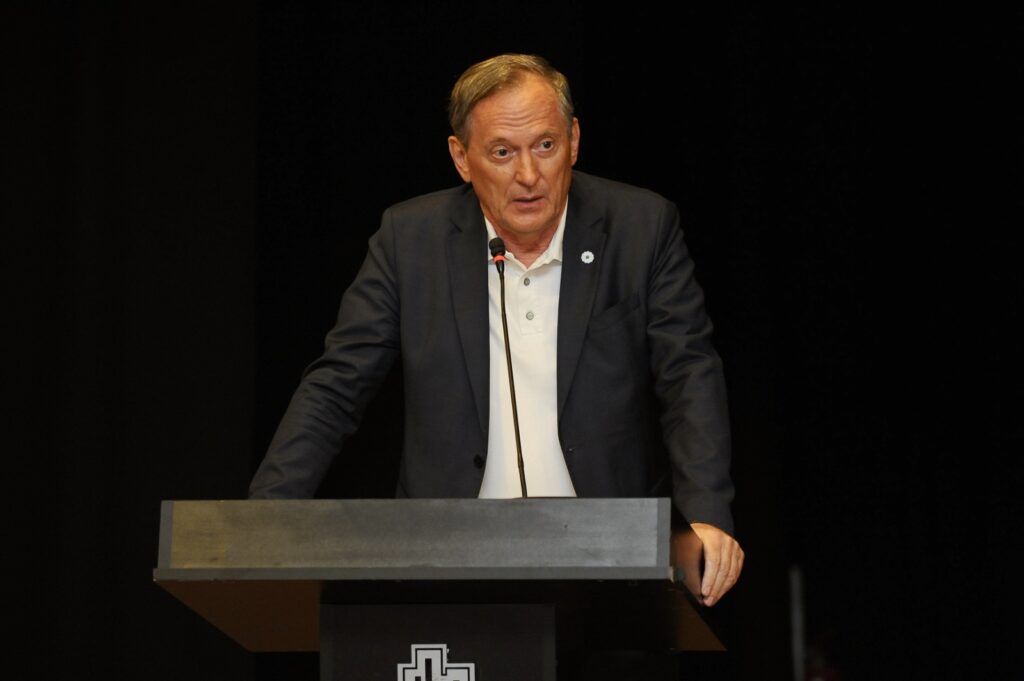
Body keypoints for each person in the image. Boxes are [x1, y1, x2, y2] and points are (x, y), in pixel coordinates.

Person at [249, 54, 743, 606]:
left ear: (574, 141)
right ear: (461, 158)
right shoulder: (409, 240)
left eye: (545, 146)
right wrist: (266, 516)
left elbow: (688, 376)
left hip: (613, 560)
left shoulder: (641, 227)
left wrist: (705, 515)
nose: (528, 175)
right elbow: (336, 387)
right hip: (449, 562)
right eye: (503, 152)